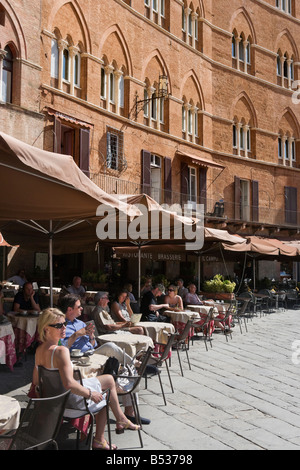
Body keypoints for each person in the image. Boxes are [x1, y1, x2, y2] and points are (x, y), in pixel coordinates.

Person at [32, 308, 141, 450]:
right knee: (105, 396)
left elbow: (36, 382)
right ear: (46, 329)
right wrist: (90, 393)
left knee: (108, 379)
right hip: (69, 401)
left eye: (64, 324)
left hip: (54, 400)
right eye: (59, 325)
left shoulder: (39, 350)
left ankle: (120, 418)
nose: (64, 328)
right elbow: (69, 384)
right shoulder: (60, 351)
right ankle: (99, 439)